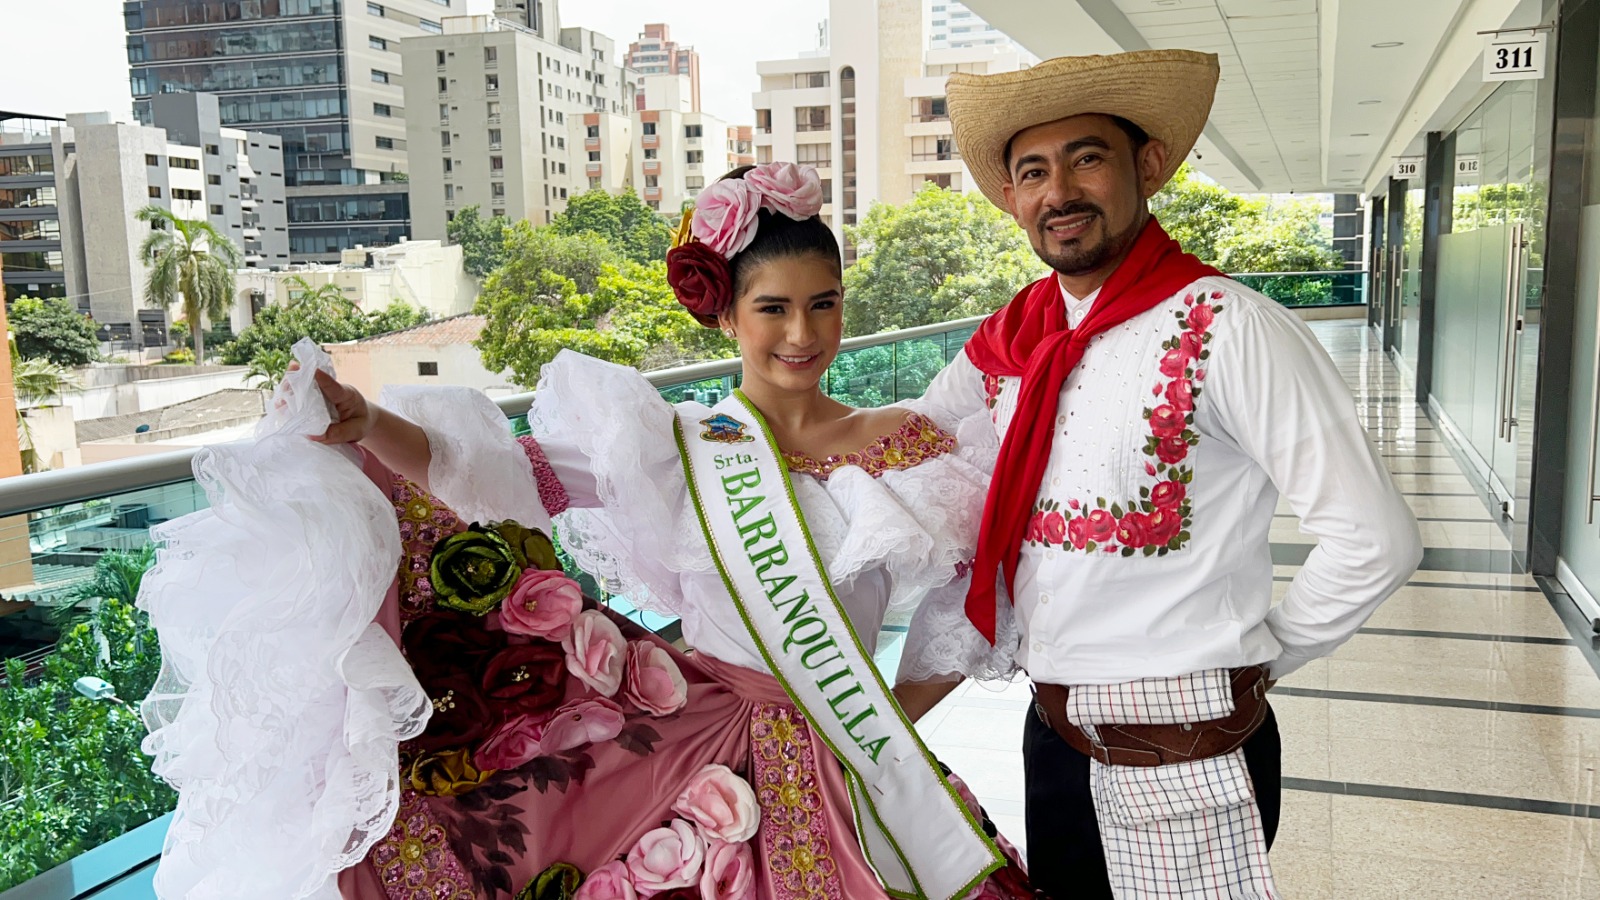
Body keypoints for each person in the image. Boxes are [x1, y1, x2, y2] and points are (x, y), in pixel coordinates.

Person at [137, 162, 1031, 900]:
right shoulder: (677, 446)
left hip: (859, 746)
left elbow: (973, 596)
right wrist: (370, 423)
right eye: (774, 308)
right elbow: (495, 474)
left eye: (825, 304)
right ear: (725, 314)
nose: (803, 334)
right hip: (698, 743)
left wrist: (884, 725)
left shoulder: (907, 447)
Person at [890, 50, 1423, 899]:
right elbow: (907, 439)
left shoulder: (1229, 328)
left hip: (1190, 753)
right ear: (1014, 198)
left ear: (1146, 167)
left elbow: (1377, 539)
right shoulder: (1013, 342)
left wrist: (1260, 661)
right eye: (1033, 170)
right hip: (1054, 732)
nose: (1058, 190)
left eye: (1086, 157)